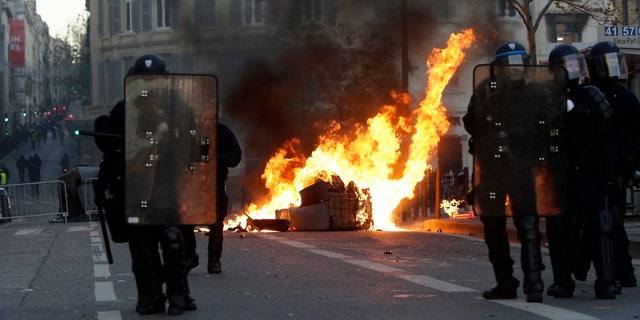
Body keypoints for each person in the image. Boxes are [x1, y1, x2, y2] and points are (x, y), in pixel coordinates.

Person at [93, 54, 196, 315]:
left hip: (166, 180)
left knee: (171, 236)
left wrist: (193, 157)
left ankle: (178, 293)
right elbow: (109, 140)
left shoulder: (178, 108)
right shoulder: (127, 109)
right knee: (141, 242)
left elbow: (194, 140)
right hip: (137, 183)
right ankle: (149, 296)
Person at [463, 42, 549, 303]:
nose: (517, 68)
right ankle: (506, 282)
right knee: (493, 224)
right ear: (500, 67)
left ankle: (534, 283)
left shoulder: (536, 92)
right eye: (511, 63)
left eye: (520, 62)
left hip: (520, 166)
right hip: (492, 167)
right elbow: (470, 122)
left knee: (528, 225)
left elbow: (547, 126)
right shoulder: (486, 91)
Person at [545, 43, 619, 299]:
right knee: (559, 231)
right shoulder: (547, 98)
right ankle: (563, 281)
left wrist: (610, 174)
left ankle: (606, 281)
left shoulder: (592, 96)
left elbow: (608, 138)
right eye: (569, 65)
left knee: (602, 227)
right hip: (560, 177)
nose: (574, 69)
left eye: (577, 64)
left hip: (589, 175)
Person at [577, 41, 638, 288]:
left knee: (612, 221)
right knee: (593, 221)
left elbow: (637, 137)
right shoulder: (588, 94)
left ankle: (621, 272)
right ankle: (595, 268)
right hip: (592, 167)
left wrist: (630, 166)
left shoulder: (626, 97)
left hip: (617, 167)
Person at [182, 121, 242, 274]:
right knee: (185, 220)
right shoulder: (186, 130)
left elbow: (235, 156)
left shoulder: (222, 131)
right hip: (190, 182)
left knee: (216, 221)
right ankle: (189, 256)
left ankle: (214, 261)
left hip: (214, 181)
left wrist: (215, 159)